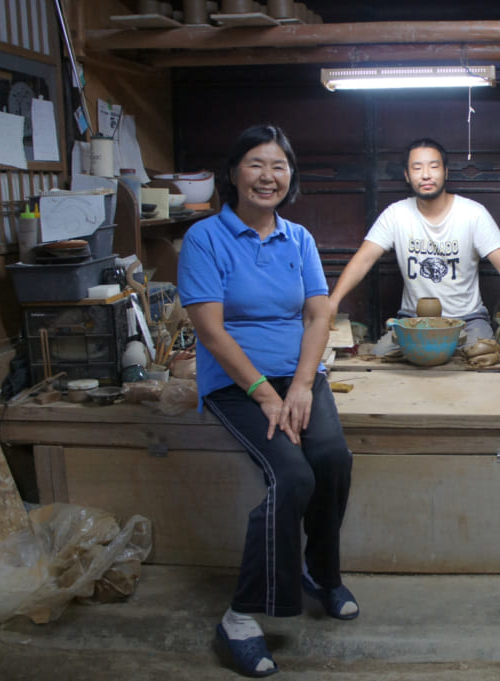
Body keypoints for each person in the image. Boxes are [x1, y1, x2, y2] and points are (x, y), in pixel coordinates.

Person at [178, 124, 357, 677]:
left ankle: (320, 573)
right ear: (232, 173)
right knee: (293, 476)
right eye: (256, 164)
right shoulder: (205, 239)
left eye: (278, 166)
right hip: (237, 385)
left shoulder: (298, 239)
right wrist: (264, 394)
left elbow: (318, 314)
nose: (268, 176)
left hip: (298, 377)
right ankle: (240, 617)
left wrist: (302, 384)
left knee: (332, 462)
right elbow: (211, 332)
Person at [328, 138, 500, 350]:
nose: (426, 175)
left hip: (467, 320)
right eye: (417, 168)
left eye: (433, 167)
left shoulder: (473, 214)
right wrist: (333, 301)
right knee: (380, 362)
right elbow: (363, 259)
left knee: (481, 362)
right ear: (407, 175)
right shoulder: (395, 215)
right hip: (413, 321)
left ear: (445, 171)